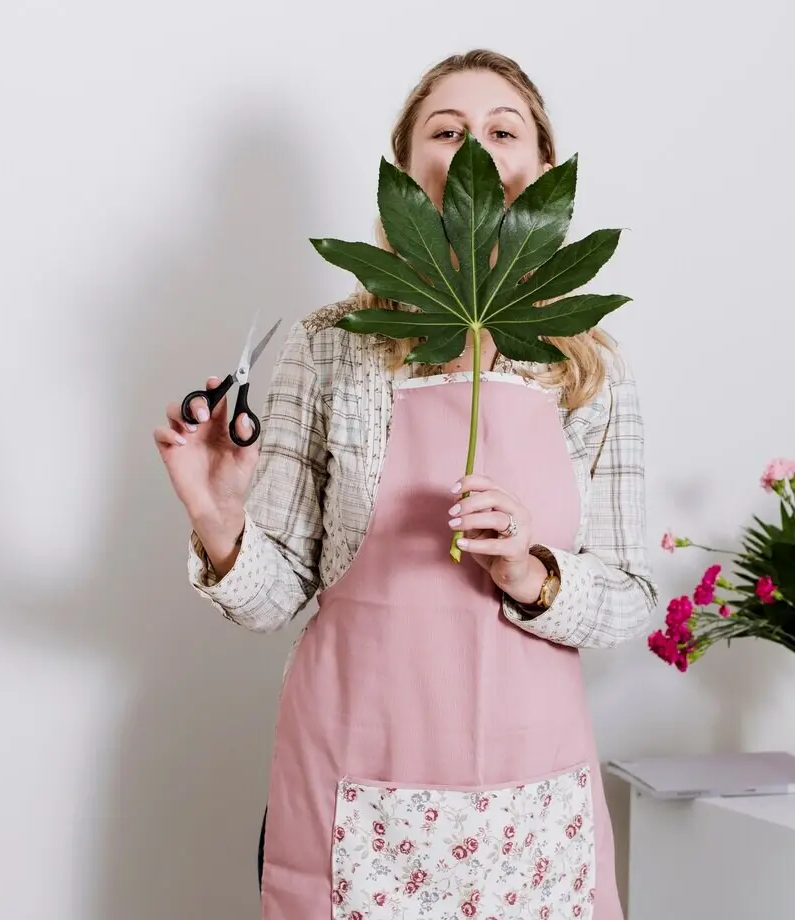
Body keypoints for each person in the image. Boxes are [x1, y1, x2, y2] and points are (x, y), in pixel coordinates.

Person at [155, 48, 656, 920]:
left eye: (503, 132)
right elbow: (275, 596)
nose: (473, 151)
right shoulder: (332, 345)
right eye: (446, 130)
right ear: (404, 174)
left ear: (541, 175)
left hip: (529, 809)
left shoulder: (590, 369)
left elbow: (631, 596)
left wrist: (534, 575)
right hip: (358, 778)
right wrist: (219, 520)